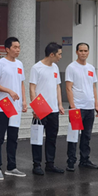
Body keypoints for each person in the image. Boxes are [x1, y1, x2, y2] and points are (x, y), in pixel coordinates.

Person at [0, 37, 28, 180]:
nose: (18, 50)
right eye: (15, 47)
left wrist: (24, 101)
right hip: (4, 105)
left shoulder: (19, 64)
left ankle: (11, 167)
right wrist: (9, 91)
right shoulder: (0, 64)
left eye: (19, 47)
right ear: (7, 49)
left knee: (13, 137)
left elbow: (21, 83)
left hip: (16, 107)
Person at [65, 42, 98, 171]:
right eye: (81, 51)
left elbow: (93, 87)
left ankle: (84, 160)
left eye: (85, 51)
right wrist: (72, 106)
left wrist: (96, 104)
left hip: (89, 107)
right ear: (76, 52)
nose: (83, 53)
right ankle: (71, 161)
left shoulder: (91, 68)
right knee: (73, 135)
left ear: (88, 52)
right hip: (77, 107)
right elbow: (68, 88)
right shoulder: (71, 67)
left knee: (87, 135)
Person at [30, 42, 65, 175]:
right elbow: (32, 88)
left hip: (53, 109)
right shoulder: (36, 68)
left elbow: (57, 87)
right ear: (52, 54)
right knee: (38, 137)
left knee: (52, 138)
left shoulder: (55, 67)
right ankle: (36, 165)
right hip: (41, 108)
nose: (60, 57)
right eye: (59, 54)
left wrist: (60, 104)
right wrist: (35, 107)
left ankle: (50, 163)